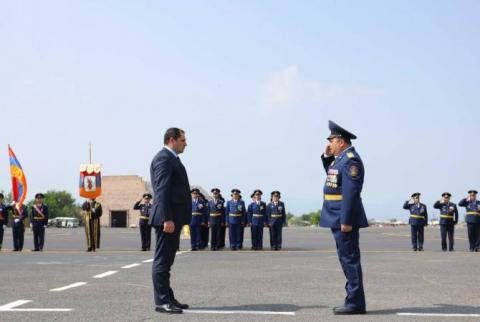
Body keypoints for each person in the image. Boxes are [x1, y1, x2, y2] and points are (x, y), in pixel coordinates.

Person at [320, 120, 368, 315]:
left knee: (349, 259)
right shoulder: (340, 160)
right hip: (336, 216)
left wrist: (346, 221)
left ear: (341, 141)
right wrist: (326, 156)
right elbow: (333, 179)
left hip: (342, 218)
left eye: (331, 140)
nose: (329, 143)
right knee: (345, 258)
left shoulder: (351, 161)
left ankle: (355, 303)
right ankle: (353, 300)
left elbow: (350, 193)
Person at [149, 127, 192, 314]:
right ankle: (162, 301)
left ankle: (168, 297)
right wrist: (167, 218)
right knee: (162, 261)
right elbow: (162, 190)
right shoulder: (163, 159)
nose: (186, 143)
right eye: (183, 140)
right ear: (172, 140)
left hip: (173, 218)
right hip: (167, 219)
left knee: (167, 261)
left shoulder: (172, 158)